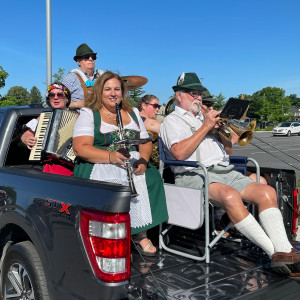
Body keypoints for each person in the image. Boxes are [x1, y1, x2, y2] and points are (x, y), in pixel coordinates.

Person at [159, 72, 300, 276]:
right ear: (179, 95)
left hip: (224, 171)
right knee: (230, 196)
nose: (198, 97)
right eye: (192, 93)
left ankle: (285, 251)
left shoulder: (204, 119)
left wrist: (224, 134)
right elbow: (179, 153)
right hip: (195, 175)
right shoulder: (172, 121)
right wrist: (206, 126)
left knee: (267, 192)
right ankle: (275, 253)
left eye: (199, 93)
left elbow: (227, 154)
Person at [72, 71, 168, 256]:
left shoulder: (132, 112)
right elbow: (80, 148)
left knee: (150, 177)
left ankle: (140, 233)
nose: (113, 93)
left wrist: (143, 160)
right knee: (115, 184)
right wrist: (111, 157)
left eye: (117, 89)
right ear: (100, 91)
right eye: (107, 89)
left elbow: (146, 141)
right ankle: (112, 236)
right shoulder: (89, 113)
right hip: (99, 161)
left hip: (129, 160)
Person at [21, 83, 74, 176]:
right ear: (49, 99)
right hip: (49, 166)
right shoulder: (44, 116)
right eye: (52, 95)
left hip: (72, 167)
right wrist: (27, 139)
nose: (55, 97)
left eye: (60, 94)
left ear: (67, 98)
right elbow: (26, 134)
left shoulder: (80, 117)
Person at [62, 43, 104, 110]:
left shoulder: (102, 78)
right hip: (76, 118)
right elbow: (58, 102)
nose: (91, 59)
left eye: (93, 57)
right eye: (86, 57)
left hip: (99, 118)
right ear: (78, 61)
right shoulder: (70, 78)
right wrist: (77, 104)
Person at [137, 95, 162, 167]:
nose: (157, 109)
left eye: (158, 106)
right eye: (155, 106)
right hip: (145, 164)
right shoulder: (140, 119)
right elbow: (165, 128)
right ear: (144, 105)